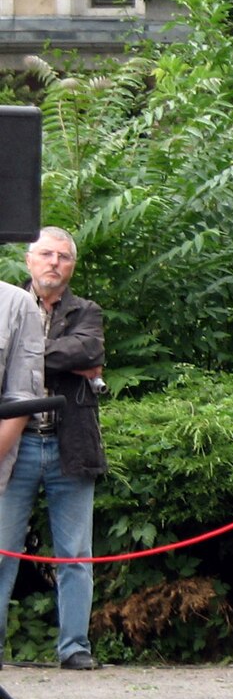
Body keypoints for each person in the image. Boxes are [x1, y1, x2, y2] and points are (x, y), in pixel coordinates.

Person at [0, 228, 101, 670]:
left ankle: (74, 648)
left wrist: (22, 355)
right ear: (28, 260)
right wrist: (68, 359)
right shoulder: (6, 305)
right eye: (46, 254)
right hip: (13, 445)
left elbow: (89, 349)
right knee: (2, 551)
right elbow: (76, 358)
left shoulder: (87, 311)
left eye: (63, 256)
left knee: (75, 555)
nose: (54, 262)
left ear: (72, 266)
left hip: (70, 446)